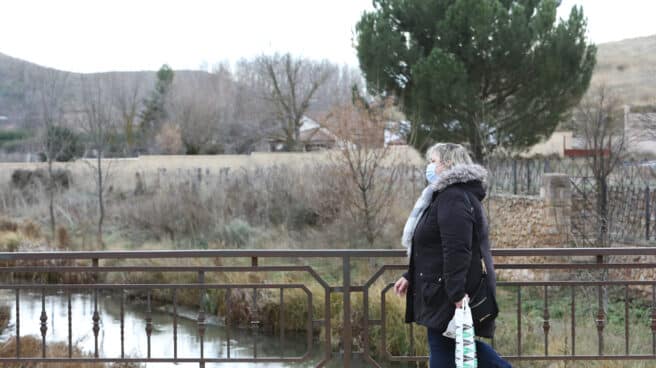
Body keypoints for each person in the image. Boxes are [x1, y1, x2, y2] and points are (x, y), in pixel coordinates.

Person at [394, 143, 511, 368]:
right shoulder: (445, 196)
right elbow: (432, 246)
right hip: (441, 289)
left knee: (443, 347)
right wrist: (410, 274)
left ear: (447, 164)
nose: (429, 166)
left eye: (433, 161)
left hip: (448, 292)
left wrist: (457, 294)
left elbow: (457, 249)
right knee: (446, 346)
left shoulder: (453, 197)